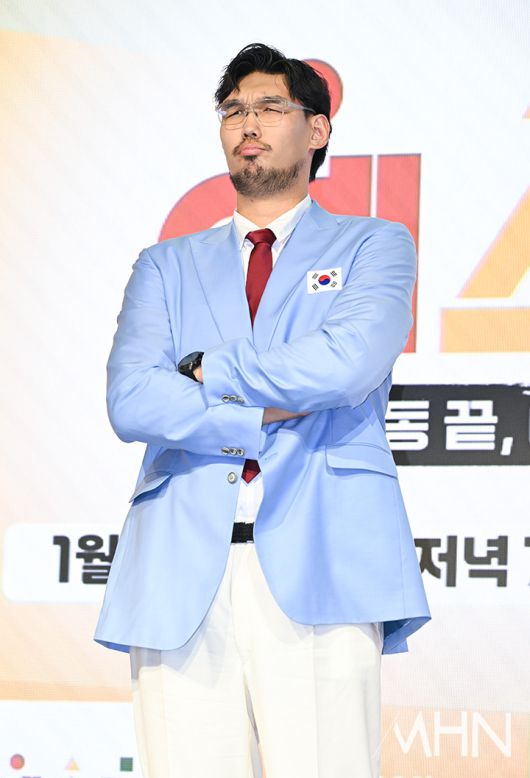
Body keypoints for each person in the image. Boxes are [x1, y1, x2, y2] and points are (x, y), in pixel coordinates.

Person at [95, 42, 430, 778]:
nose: (248, 123)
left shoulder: (375, 245)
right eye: (233, 109)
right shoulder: (165, 264)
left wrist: (205, 371)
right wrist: (256, 414)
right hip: (179, 567)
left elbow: (344, 365)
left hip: (325, 559)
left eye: (270, 107)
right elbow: (132, 398)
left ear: (318, 129)